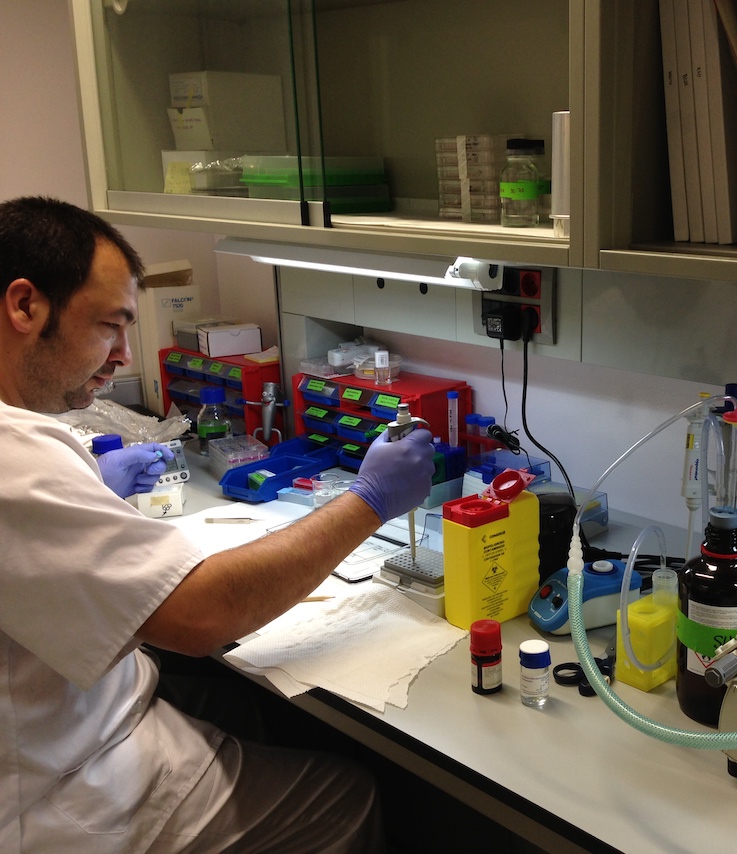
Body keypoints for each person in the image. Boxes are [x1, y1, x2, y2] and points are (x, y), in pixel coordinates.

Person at [0, 196, 436, 852]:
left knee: (238, 706)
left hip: (71, 714)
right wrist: (369, 500)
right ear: (25, 306)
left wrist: (89, 487)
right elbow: (202, 616)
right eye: (110, 326)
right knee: (344, 796)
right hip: (59, 791)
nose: (122, 354)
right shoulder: (15, 457)